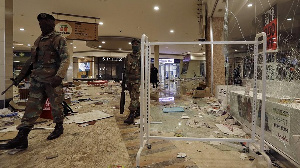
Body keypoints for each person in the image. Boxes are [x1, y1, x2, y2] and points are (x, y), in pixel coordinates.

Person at [0, 13, 70, 150]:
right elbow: (31, 61)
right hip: (37, 80)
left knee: (56, 106)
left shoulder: (58, 39)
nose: (42, 25)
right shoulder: (38, 41)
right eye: (40, 23)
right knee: (31, 108)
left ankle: (59, 126)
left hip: (52, 80)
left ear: (52, 23)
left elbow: (65, 59)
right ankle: (22, 137)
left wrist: (59, 76)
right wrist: (20, 77)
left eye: (45, 23)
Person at [123, 38, 141, 124]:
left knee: (134, 97)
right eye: (133, 44)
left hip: (137, 80)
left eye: (137, 44)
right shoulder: (128, 56)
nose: (135, 46)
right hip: (129, 79)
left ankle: (131, 115)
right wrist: (125, 80)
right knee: (132, 96)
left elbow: (144, 69)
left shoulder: (141, 56)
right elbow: (125, 69)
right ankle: (138, 109)